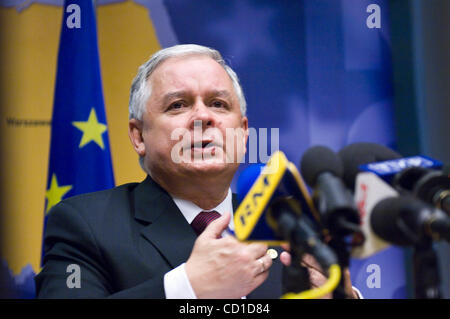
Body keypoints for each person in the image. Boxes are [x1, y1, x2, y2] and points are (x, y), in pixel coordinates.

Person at [35, 44, 359, 298]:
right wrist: (188, 287)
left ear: (243, 133)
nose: (203, 117)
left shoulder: (287, 228)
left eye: (218, 104)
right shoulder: (85, 224)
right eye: (178, 105)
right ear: (138, 136)